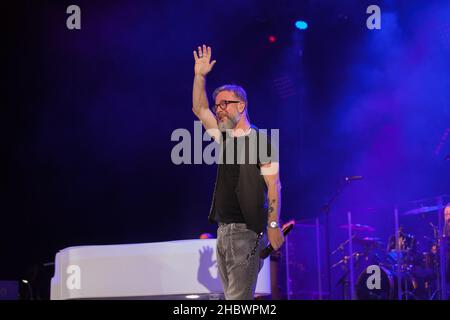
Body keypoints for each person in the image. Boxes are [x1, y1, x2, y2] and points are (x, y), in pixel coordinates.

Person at [191, 45, 284, 300]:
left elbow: (274, 185)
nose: (218, 109)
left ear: (241, 106)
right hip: (224, 232)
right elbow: (199, 109)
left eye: (224, 104)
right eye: (217, 105)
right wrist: (200, 77)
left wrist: (273, 224)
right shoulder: (227, 138)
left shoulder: (261, 141)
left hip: (245, 232)